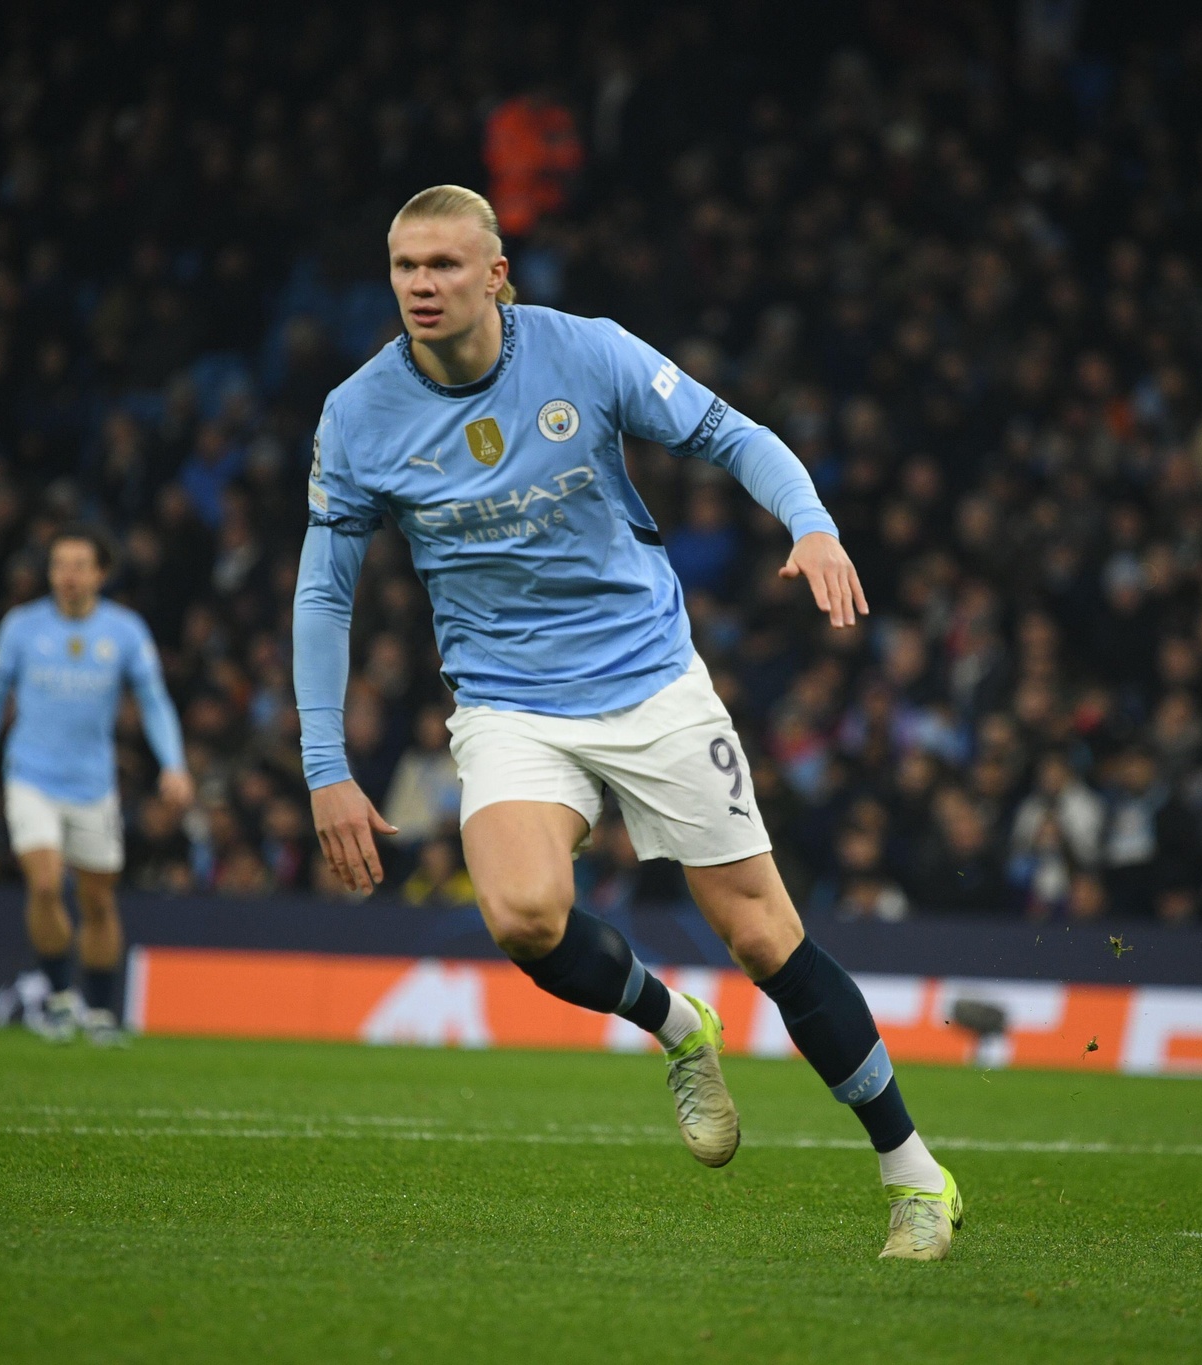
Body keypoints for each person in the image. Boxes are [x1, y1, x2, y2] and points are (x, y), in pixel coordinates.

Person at [294, 186, 961, 1261]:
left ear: (496, 274)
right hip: (508, 701)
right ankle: (673, 1026)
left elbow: (730, 433)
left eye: (445, 266)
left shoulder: (587, 355)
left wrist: (814, 525)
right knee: (519, 914)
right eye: (405, 267)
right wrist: (324, 763)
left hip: (649, 682)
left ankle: (912, 1173)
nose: (421, 285)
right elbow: (324, 594)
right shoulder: (357, 413)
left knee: (761, 936)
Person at [0, 525, 193, 1045]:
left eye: (80, 565)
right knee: (43, 882)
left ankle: (101, 1012)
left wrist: (173, 765)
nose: (68, 575)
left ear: (101, 574)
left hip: (93, 786)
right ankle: (60, 999)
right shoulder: (21, 628)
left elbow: (154, 704)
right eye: (60, 564)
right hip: (30, 778)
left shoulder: (125, 632)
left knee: (98, 902)